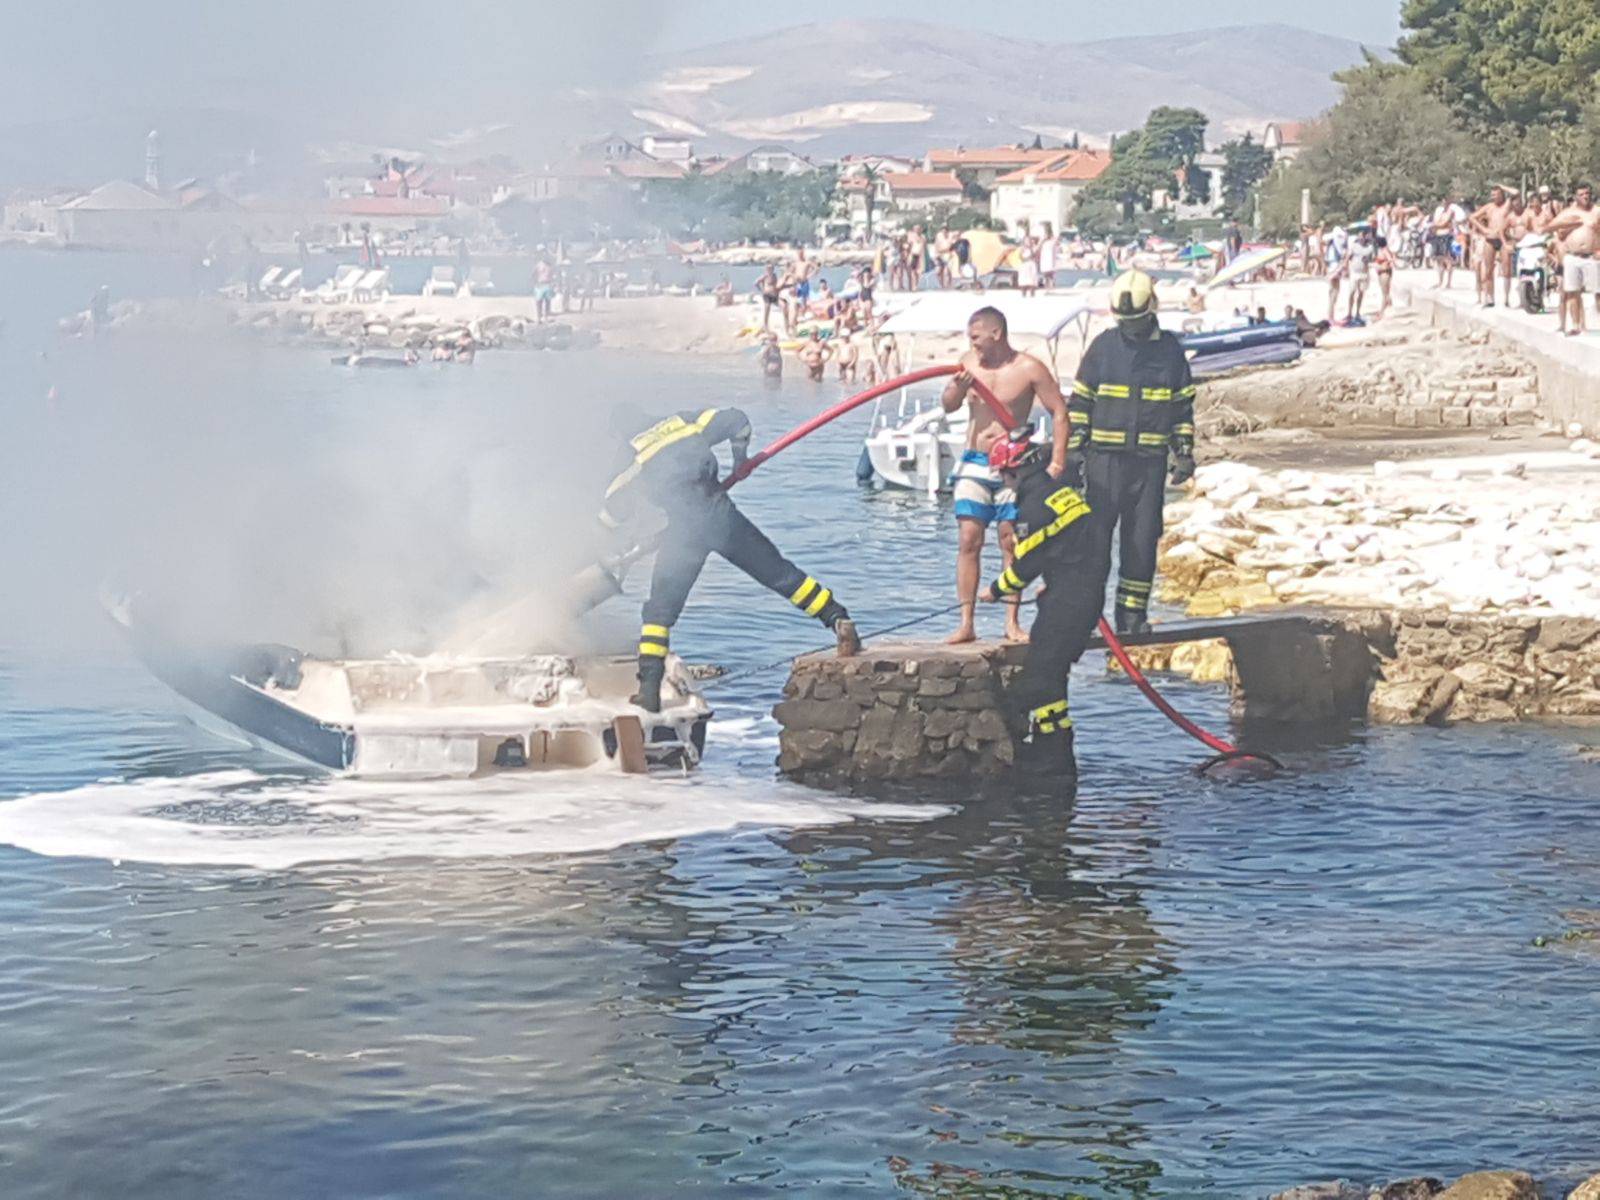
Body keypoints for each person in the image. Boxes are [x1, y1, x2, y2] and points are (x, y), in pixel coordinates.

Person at [600, 405, 860, 711]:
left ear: (621, 433)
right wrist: (740, 461)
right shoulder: (681, 422)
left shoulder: (631, 456)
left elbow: (612, 509)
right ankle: (837, 619)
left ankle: (648, 691)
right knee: (779, 574)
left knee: (659, 613)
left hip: (684, 534)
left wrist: (622, 533)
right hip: (721, 517)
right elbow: (738, 420)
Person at [1066, 270, 1195, 635]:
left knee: (1141, 541)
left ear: (1151, 310)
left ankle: (1132, 618)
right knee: (1095, 543)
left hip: (1148, 465)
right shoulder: (1103, 348)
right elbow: (1080, 403)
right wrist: (1075, 452)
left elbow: (1182, 405)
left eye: (1136, 320)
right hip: (1103, 462)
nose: (1131, 328)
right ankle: (1087, 617)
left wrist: (1183, 451)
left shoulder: (1169, 350)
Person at [976, 426, 1106, 789]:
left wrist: (994, 590)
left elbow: (1025, 567)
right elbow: (1074, 546)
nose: (1004, 481)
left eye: (1003, 474)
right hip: (1083, 595)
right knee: (1053, 678)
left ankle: (1050, 757)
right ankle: (1057, 755)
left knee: (1037, 680)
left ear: (1014, 470)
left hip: (1066, 602)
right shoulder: (1063, 494)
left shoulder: (1031, 509)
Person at [940, 306, 1070, 645]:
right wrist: (956, 387)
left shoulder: (1029, 368)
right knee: (969, 538)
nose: (973, 344)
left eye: (976, 337)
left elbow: (1059, 412)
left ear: (996, 334)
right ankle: (966, 622)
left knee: (1011, 542)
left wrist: (1056, 463)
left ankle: (1011, 623)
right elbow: (949, 404)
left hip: (1014, 467)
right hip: (975, 461)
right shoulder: (968, 363)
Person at [1548, 184, 1600, 337]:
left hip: (1591, 256)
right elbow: (1553, 227)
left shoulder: (1596, 211)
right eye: (1582, 194)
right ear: (1575, 197)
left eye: (1587, 193)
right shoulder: (1568, 213)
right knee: (1572, 292)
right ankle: (1576, 325)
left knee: (1598, 292)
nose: (1585, 196)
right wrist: (1567, 227)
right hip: (1572, 256)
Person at [1469, 186, 1512, 307]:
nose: (1494, 197)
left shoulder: (1507, 205)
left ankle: (1506, 298)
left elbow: (1516, 193)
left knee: (1506, 268)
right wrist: (1483, 229)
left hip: (1504, 238)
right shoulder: (1488, 207)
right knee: (1488, 270)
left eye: (1496, 194)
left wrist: (1502, 186)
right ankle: (1490, 297)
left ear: (1502, 195)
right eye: (1492, 195)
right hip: (1490, 238)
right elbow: (1472, 217)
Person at [1345, 227, 1374, 321]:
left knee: (1361, 292)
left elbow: (1372, 258)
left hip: (1364, 273)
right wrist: (1345, 269)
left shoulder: (1370, 247)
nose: (1361, 238)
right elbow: (1348, 257)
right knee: (1352, 292)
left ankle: (1357, 312)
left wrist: (1368, 260)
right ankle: (1349, 312)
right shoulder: (1354, 246)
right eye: (1360, 235)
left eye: (1362, 236)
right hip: (1354, 272)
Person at [1373, 235, 1398, 320]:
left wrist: (1385, 266)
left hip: (1384, 273)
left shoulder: (1384, 251)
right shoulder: (1382, 250)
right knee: (1385, 292)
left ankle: (1382, 312)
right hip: (1381, 273)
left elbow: (1391, 260)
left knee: (1385, 294)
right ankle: (1388, 308)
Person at [757, 265, 781, 331]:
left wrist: (778, 293)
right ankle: (765, 324)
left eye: (771, 268)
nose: (770, 269)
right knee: (767, 308)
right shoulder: (764, 276)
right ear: (766, 269)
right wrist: (762, 290)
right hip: (767, 294)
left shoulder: (774, 275)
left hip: (774, 295)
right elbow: (756, 283)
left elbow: (776, 285)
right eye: (768, 268)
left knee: (781, 306)